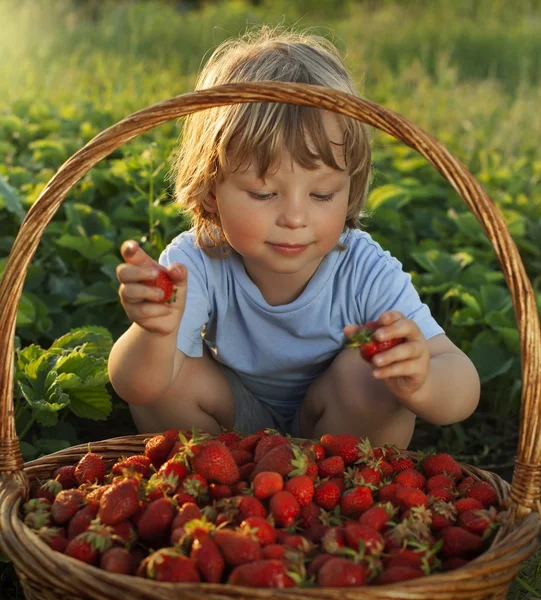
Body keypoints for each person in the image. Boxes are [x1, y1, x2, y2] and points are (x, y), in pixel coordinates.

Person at [108, 26, 480, 449]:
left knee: (369, 374)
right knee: (167, 381)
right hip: (229, 431)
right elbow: (135, 388)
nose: (295, 217)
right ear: (212, 191)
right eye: (264, 193)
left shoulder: (362, 269)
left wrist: (424, 381)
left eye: (322, 194)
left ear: (351, 187)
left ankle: (339, 495)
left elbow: (462, 384)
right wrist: (155, 333)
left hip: (333, 430)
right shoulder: (195, 262)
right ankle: (218, 491)